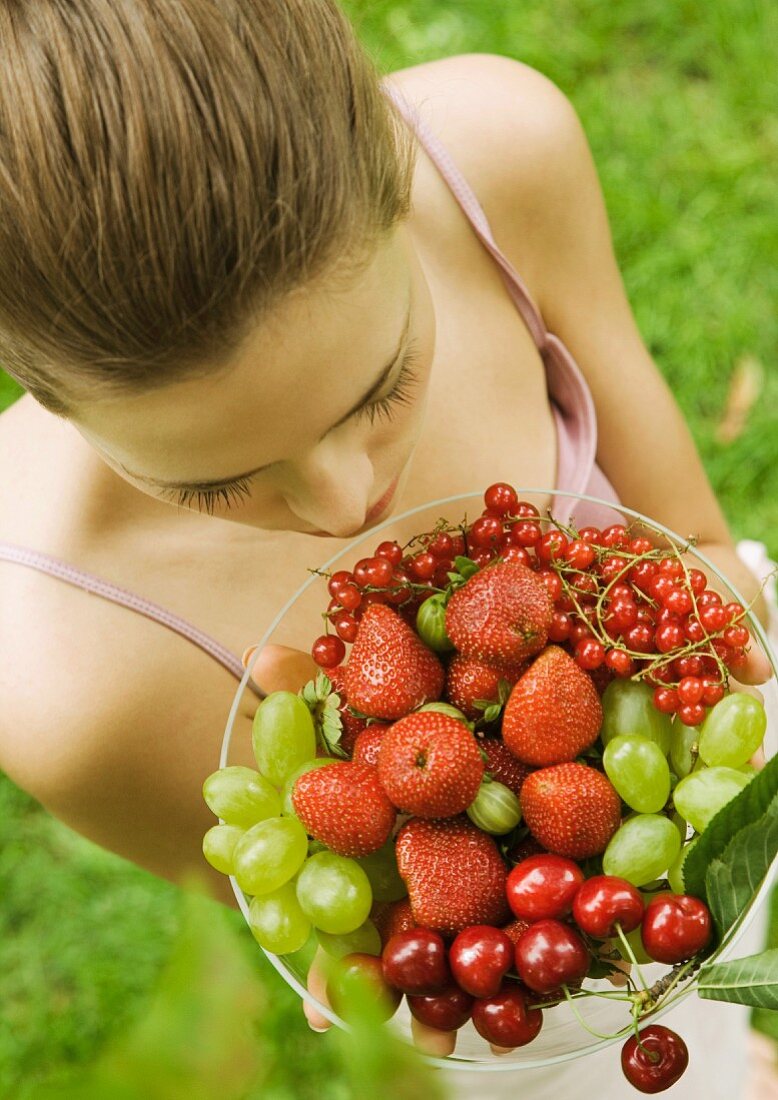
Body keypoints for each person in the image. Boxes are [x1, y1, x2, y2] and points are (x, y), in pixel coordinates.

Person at [0, 3, 774, 1097]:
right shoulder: (69, 684)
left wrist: (713, 590)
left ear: (395, 185)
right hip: (549, 965)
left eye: (381, 388)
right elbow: (357, 900)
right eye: (215, 480)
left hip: (704, 743)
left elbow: (691, 541)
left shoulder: (497, 159)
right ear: (44, 394)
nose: (345, 504)